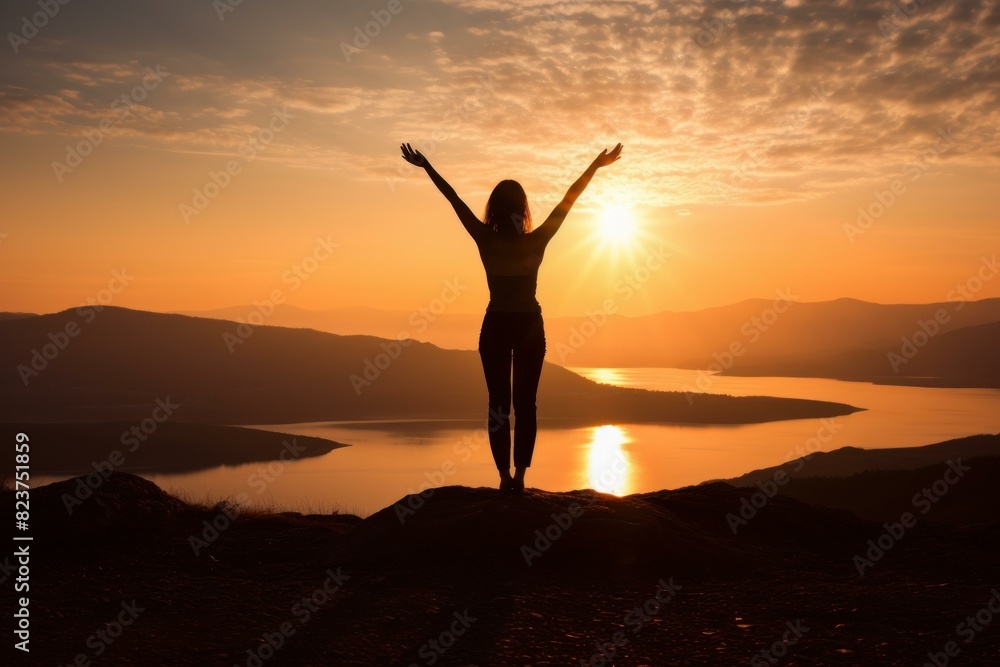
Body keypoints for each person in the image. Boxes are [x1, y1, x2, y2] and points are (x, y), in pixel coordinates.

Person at [400, 142, 623, 493]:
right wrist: (595, 166)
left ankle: (508, 478)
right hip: (527, 328)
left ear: (493, 210)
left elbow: (454, 199)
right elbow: (570, 198)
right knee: (523, 405)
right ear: (520, 209)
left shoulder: (486, 238)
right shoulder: (535, 241)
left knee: (500, 406)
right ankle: (516, 478)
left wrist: (427, 166)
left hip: (499, 328)